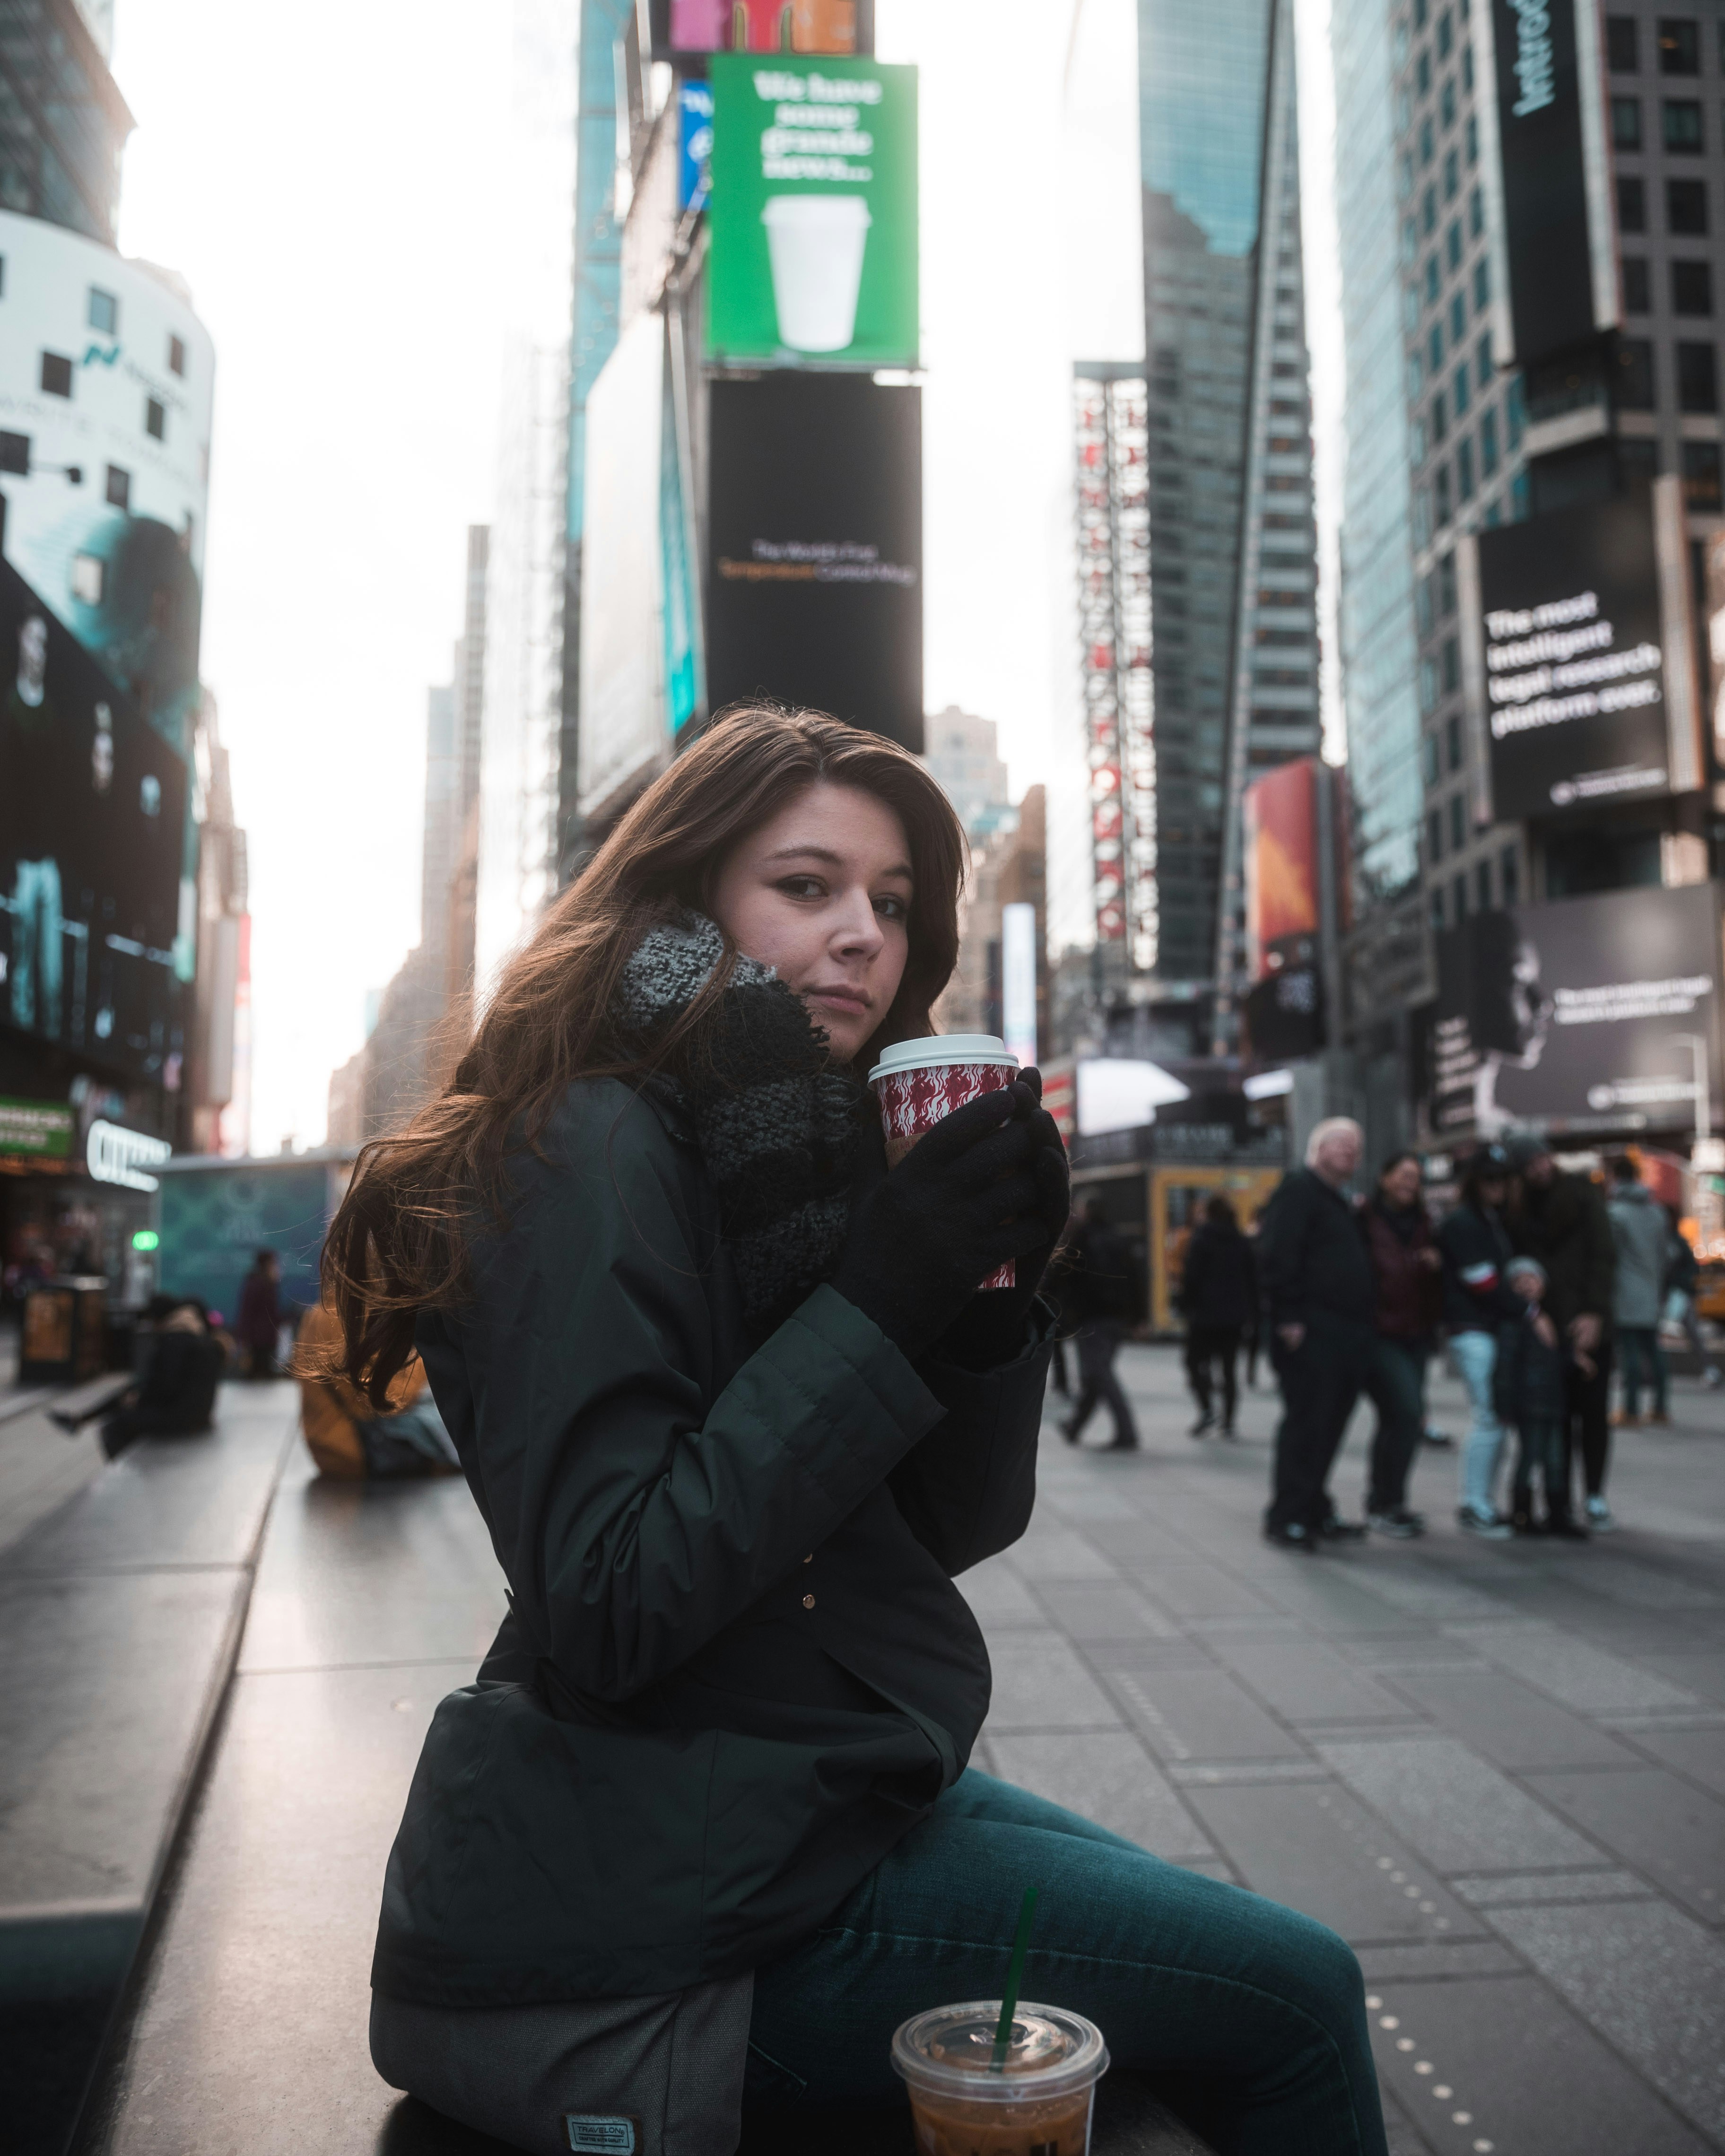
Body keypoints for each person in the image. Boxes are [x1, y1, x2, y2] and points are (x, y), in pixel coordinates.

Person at [326, 710, 1385, 2156]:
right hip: (635, 1937)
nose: (863, 936)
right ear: (686, 892)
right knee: (1299, 1992)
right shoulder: (586, 1139)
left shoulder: (795, 1160)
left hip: (802, 1796)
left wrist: (985, 1300)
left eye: (891, 902)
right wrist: (882, 1300)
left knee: (1237, 1966)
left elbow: (946, 1527)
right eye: (806, 885)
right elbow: (610, 1595)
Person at [1256, 1117, 1375, 1550]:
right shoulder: (1299, 1190)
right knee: (1307, 1425)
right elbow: (1277, 1255)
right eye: (1341, 1143)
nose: (1350, 1152)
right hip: (1311, 1334)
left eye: (1356, 1146)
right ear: (1318, 1149)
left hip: (1346, 1335)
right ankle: (1287, 1515)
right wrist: (1288, 1317)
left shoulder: (1339, 1200)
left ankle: (1314, 1508)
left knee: (1329, 1426)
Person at [1506, 1134, 1616, 1532]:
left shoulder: (1582, 1194)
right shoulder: (1518, 1206)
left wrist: (1595, 1313)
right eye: (1529, 1164)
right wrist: (1532, 1312)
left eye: (1541, 1159)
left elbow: (1604, 1255)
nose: (1539, 1168)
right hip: (1548, 1327)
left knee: (1593, 1414)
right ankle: (1560, 1502)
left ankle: (1594, 1494)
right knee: (1557, 1417)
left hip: (1589, 1321)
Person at [1437, 1142, 1527, 1538]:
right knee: (1490, 1418)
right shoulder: (1465, 1223)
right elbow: (1483, 1282)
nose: (1498, 1187)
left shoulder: (1488, 1220)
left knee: (1496, 1419)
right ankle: (1475, 1504)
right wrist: (1527, 1311)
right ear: (1475, 1183)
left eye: (1503, 1180)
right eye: (1490, 1179)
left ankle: (1481, 1502)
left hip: (1483, 1328)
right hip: (1472, 1329)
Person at [1358, 1150, 1442, 1538]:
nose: (1411, 1183)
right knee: (1406, 1413)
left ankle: (1389, 1502)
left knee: (1401, 1420)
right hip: (1380, 1334)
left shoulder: (1426, 1223)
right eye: (1404, 1175)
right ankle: (1384, 1502)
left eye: (1417, 1178)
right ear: (1385, 1178)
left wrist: (1434, 1265)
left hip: (1417, 1333)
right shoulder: (1364, 1219)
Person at [294, 1293, 460, 1479]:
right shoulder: (338, 1317)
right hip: (352, 1448)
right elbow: (378, 1401)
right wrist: (425, 1360)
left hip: (340, 1443)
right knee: (457, 1432)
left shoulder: (337, 1309)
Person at [50, 1295, 224, 1460]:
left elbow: (166, 1386)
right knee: (131, 1394)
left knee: (114, 1428)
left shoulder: (175, 1338)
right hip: (198, 1413)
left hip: (184, 1417)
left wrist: (140, 1399)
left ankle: (130, 1475)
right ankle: (80, 1420)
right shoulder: (195, 1332)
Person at [1493, 1256, 1587, 1539]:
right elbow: (1506, 1367)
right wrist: (1505, 1403)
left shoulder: (1546, 1318)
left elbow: (1556, 1360)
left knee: (1555, 1458)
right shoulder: (1516, 1322)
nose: (1527, 1286)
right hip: (1530, 1403)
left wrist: (1573, 1357)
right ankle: (1522, 1513)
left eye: (1532, 1279)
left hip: (1552, 1402)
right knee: (1531, 1455)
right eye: (1519, 1281)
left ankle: (1557, 1513)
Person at [1058, 1199, 1141, 1450]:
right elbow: (1135, 1279)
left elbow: (1063, 1276)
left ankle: (1127, 1432)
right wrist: (1138, 1317)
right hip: (1117, 1318)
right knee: (1096, 1374)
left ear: (1087, 1212)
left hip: (1091, 1317)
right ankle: (1075, 1426)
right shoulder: (1119, 1238)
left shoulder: (1081, 1239)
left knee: (1099, 1374)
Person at [1177, 1193, 1257, 1437]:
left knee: (1194, 1362)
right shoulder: (1241, 1241)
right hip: (1233, 1318)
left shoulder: (1201, 1239)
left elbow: (1192, 1277)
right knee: (1229, 1369)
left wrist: (1185, 1306)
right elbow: (1252, 1280)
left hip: (1204, 1316)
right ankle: (1229, 1421)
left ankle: (1207, 1409)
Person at [1608, 1155, 1671, 1432]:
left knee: (1631, 1352)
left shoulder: (1615, 1213)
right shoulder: (1657, 1212)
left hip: (1626, 1290)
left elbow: (1609, 1255)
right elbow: (1666, 1254)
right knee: (1655, 1350)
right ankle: (1660, 1408)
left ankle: (1631, 1409)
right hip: (1652, 1287)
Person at [1663, 1206, 1721, 1388]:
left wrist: (1678, 1282)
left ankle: (1710, 1369)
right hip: (1667, 1294)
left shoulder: (1677, 1242)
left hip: (1679, 1295)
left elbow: (1691, 1268)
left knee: (1693, 1334)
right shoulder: (1662, 1240)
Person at [235, 1248, 282, 1378]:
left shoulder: (258, 1283)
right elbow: (249, 1313)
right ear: (268, 1264)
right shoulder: (261, 1285)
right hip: (260, 1340)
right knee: (259, 1376)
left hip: (261, 1339)